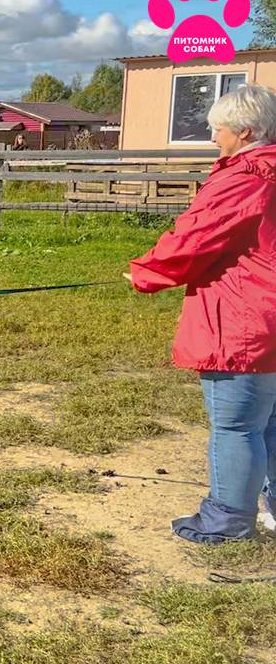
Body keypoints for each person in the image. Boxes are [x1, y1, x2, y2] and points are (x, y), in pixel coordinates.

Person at [127, 85, 276, 544]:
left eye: (217, 128)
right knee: (268, 421)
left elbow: (196, 238)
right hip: (267, 313)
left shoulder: (245, 178)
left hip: (244, 316)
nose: (213, 137)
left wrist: (146, 273)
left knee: (236, 425)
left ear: (245, 131)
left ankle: (227, 520)